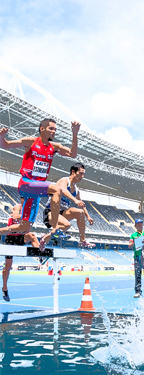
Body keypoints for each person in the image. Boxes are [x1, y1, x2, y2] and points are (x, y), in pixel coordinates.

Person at [0, 119, 82, 251]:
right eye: (51, 128)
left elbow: (73, 154)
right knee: (56, 189)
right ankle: (55, 229)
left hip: (36, 190)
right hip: (26, 183)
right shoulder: (31, 142)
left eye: (55, 129)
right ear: (42, 129)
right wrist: (1, 136)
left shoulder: (54, 147)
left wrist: (74, 133)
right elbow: (5, 145)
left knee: (25, 226)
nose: (54, 131)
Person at [42, 163, 95, 248]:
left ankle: (82, 240)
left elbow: (81, 203)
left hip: (62, 213)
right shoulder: (64, 180)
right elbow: (63, 190)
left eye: (83, 174)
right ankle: (46, 237)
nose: (82, 176)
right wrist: (75, 200)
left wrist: (88, 216)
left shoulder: (76, 190)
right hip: (50, 213)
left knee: (80, 212)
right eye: (81, 173)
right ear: (73, 172)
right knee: (67, 225)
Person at [2, 198, 39, 301]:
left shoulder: (29, 211)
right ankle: (4, 288)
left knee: (32, 235)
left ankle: (39, 253)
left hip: (20, 237)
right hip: (10, 238)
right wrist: (27, 218)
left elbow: (27, 229)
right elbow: (14, 216)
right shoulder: (17, 207)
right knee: (8, 265)